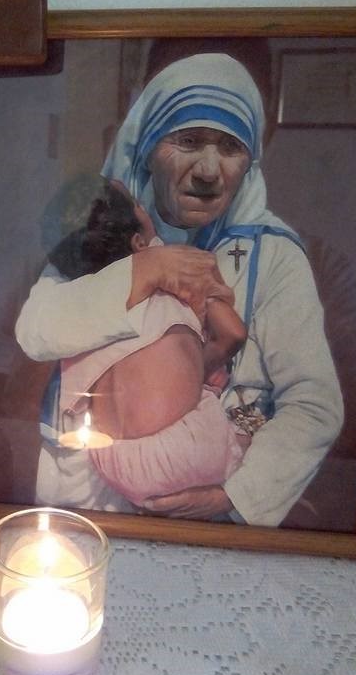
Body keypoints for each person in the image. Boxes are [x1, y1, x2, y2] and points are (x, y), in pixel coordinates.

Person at [15, 53, 343, 526]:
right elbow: (36, 332)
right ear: (148, 146)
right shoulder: (99, 225)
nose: (209, 170)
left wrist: (233, 494)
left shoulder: (275, 258)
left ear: (250, 160)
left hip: (209, 505)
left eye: (230, 148)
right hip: (87, 495)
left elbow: (314, 403)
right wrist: (148, 269)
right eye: (188, 141)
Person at [48, 180, 248, 509]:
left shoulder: (84, 302)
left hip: (111, 461)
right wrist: (194, 369)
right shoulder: (174, 276)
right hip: (181, 452)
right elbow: (234, 335)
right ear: (140, 242)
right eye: (140, 207)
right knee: (241, 424)